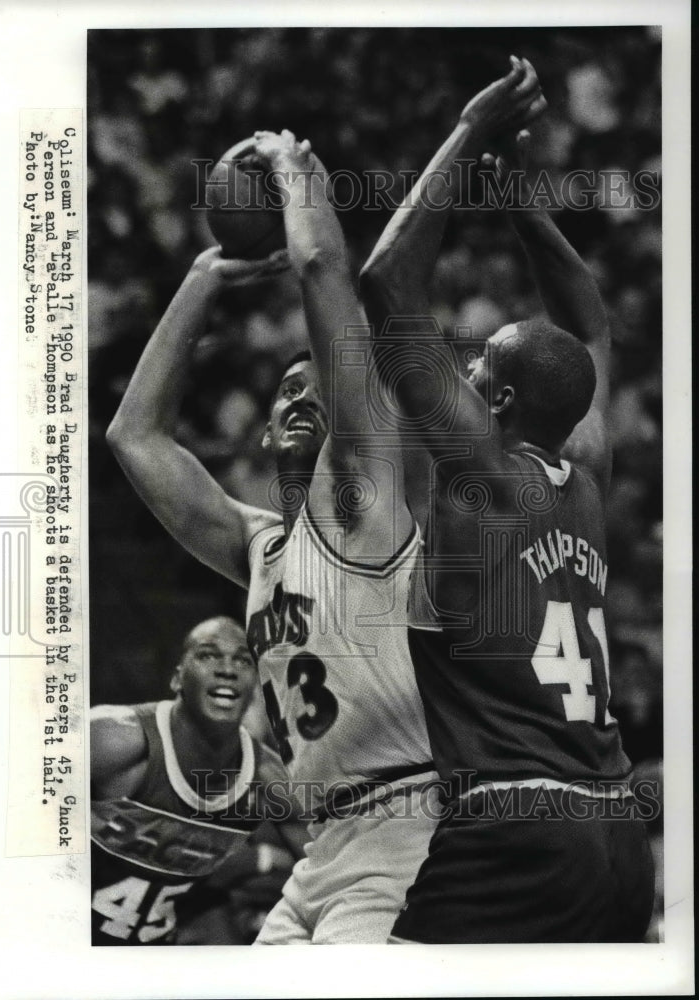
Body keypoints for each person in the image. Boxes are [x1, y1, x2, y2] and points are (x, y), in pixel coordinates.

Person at [107, 131, 439, 944]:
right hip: (321, 846)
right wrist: (200, 279)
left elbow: (328, 275)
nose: (301, 399)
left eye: (320, 391)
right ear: (261, 434)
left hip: (409, 824)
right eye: (286, 390)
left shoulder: (364, 506)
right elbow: (134, 438)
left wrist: (297, 179)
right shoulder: (256, 548)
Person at [360, 56, 655, 942]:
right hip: (617, 831)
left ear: (493, 403)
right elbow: (594, 326)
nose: (465, 365)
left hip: (515, 826)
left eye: (478, 361)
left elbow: (385, 282)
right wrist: (527, 211)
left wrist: (468, 133)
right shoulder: (589, 476)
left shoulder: (482, 476)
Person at [90, 615, 303, 945]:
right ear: (177, 679)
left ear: (254, 689)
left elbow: (328, 871)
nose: (227, 669)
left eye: (243, 661)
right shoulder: (109, 739)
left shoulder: (270, 779)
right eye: (208, 655)